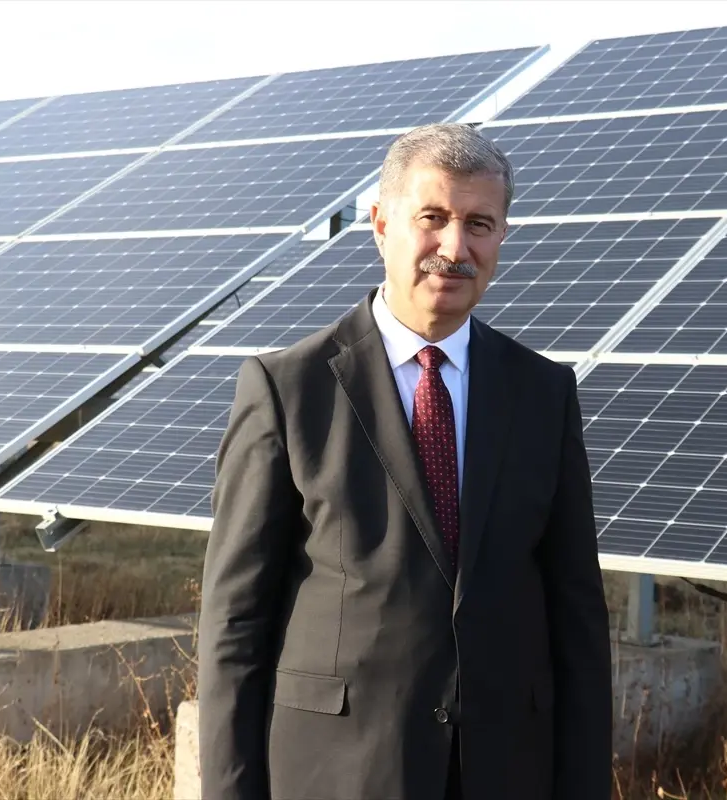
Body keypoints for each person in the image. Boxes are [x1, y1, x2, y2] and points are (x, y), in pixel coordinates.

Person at [198, 122, 613, 800]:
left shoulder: (543, 392)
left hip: (506, 771)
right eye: (433, 218)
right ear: (382, 223)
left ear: (502, 236)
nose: (455, 247)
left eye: (480, 224)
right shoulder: (289, 389)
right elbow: (233, 624)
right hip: (339, 773)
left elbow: (578, 617)